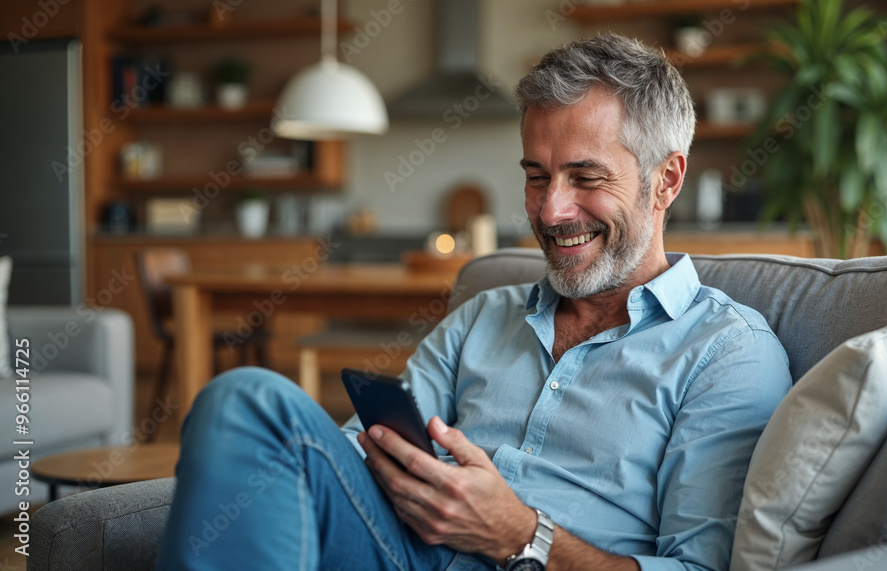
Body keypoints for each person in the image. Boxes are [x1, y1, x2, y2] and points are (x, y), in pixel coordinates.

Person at [156, 34, 791, 571]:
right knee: (245, 400)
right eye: (536, 176)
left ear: (667, 181)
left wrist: (521, 533)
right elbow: (357, 452)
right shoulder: (486, 315)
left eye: (586, 177)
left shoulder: (726, 352)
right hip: (401, 548)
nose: (551, 210)